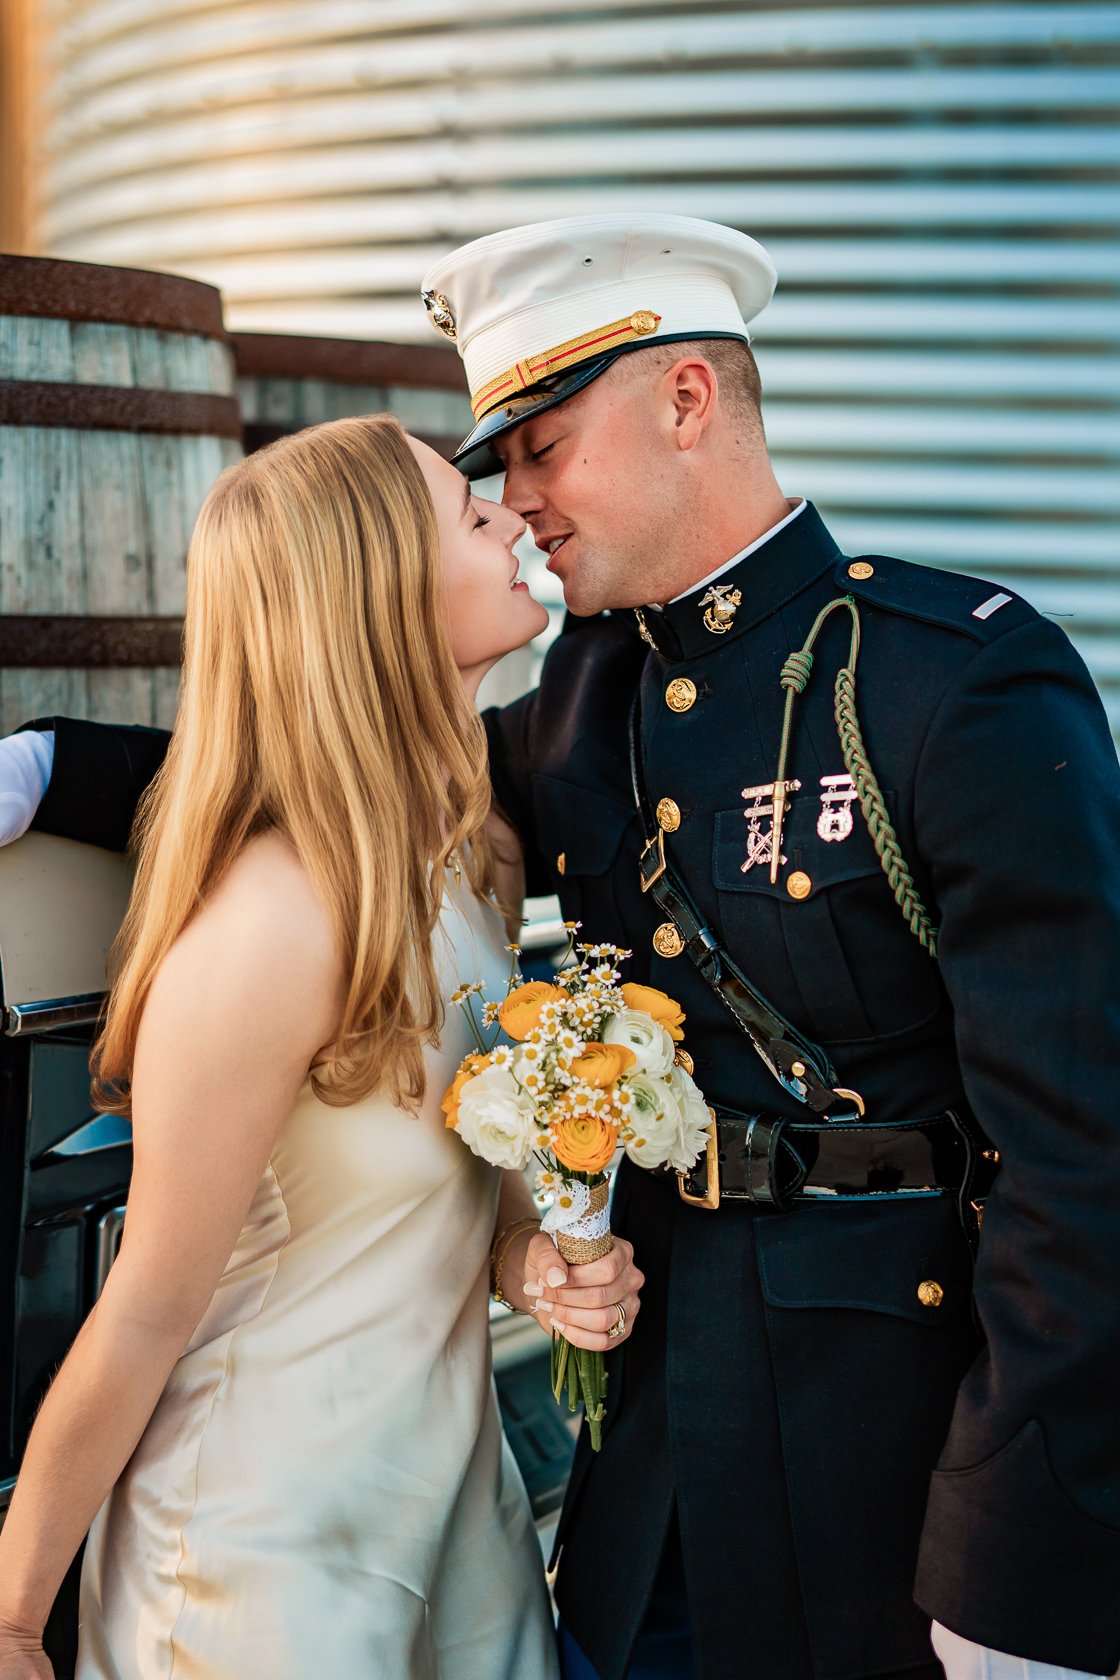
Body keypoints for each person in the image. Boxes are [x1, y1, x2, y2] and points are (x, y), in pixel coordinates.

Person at [4, 215, 1119, 1680]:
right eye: (495, 477)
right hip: (643, 1464)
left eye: (541, 447)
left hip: (883, 1464)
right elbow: (336, 763)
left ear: (686, 402)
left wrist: (1015, 1572)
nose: (518, 503)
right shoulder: (597, 692)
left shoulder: (946, 684)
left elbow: (1084, 1160)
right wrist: (44, 768)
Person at [0, 413, 645, 1680]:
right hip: (265, 1575)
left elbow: (449, 1204)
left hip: (462, 1540)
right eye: (471, 517)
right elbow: (145, 1316)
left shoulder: (471, 863)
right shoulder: (270, 930)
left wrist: (536, 1263)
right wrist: (17, 1623)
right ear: (377, 599)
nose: (513, 515)